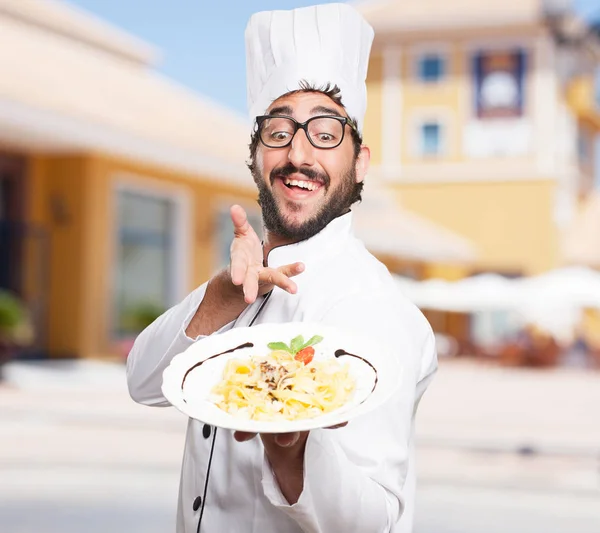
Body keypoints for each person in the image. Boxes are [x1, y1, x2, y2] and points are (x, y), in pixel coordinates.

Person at [126, 4, 437, 532]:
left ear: (360, 162)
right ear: (254, 156)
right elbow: (144, 381)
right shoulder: (241, 280)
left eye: (325, 133)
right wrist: (220, 297)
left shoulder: (369, 306)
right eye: (278, 131)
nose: (298, 153)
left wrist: (293, 455)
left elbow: (378, 521)